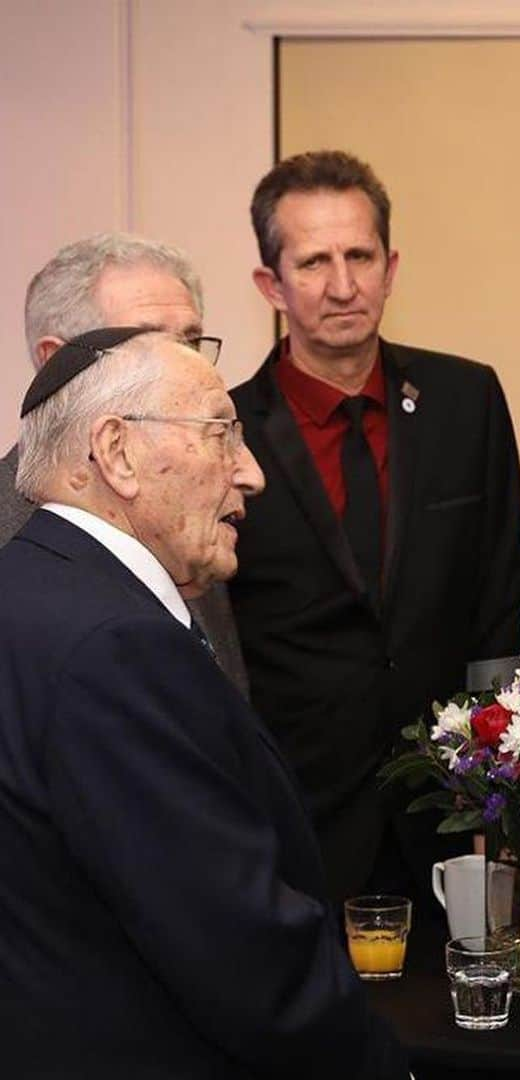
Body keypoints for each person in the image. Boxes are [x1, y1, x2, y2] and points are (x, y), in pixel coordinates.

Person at [0, 328, 407, 1078]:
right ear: (117, 453)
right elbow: (237, 948)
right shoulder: (116, 645)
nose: (250, 473)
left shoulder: (31, 594)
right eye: (221, 434)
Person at [229, 150, 520, 906]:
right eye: (313, 262)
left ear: (390, 267)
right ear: (272, 284)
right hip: (292, 820)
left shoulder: (467, 400)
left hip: (446, 818)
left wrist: (495, 795)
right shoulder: (224, 428)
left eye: (359, 256)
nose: (342, 286)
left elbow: (497, 601)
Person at [0, 233, 248, 695]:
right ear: (55, 362)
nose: (187, 365)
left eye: (192, 342)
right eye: (149, 342)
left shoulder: (188, 503)